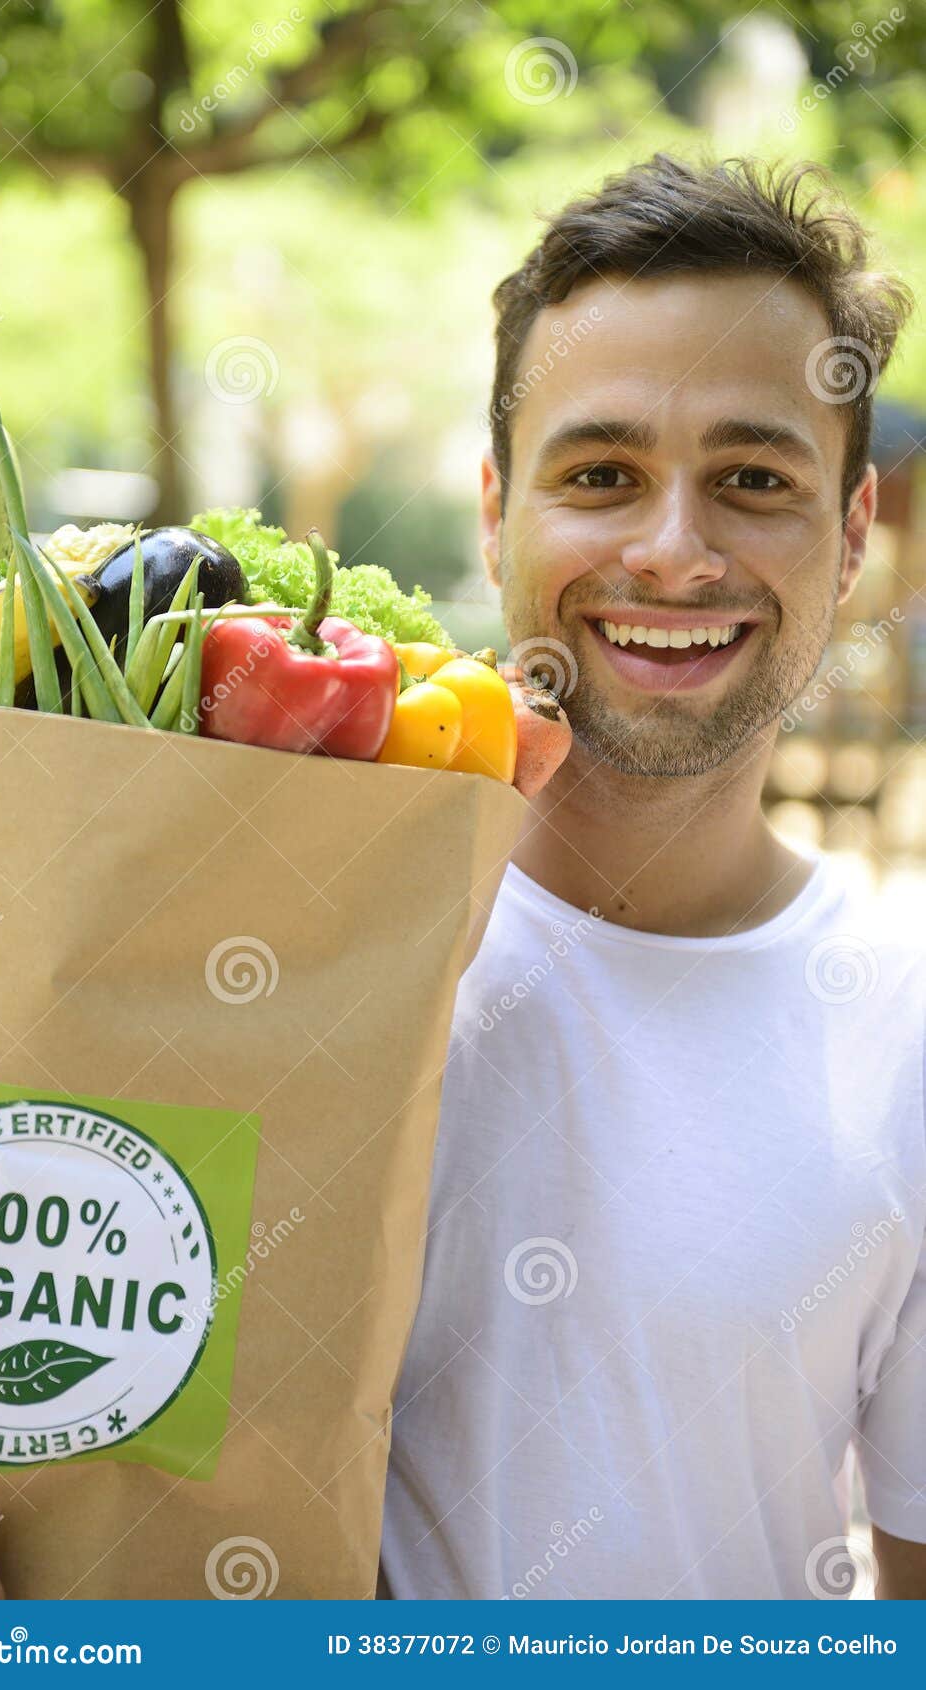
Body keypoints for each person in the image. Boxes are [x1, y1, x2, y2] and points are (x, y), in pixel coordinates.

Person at [380, 154, 926, 1601]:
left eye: (752, 481)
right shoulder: (293, 921)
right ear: (497, 512)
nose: (672, 553)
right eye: (602, 474)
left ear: (853, 534)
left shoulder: (910, 1031)